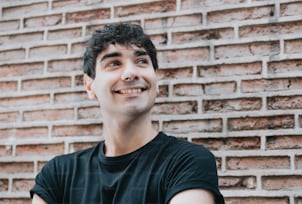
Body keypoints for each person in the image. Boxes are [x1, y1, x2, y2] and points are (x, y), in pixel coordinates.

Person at [30, 23, 225, 204]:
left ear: (156, 81)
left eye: (141, 61)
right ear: (90, 86)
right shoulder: (58, 176)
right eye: (114, 63)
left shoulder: (188, 162)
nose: (130, 73)